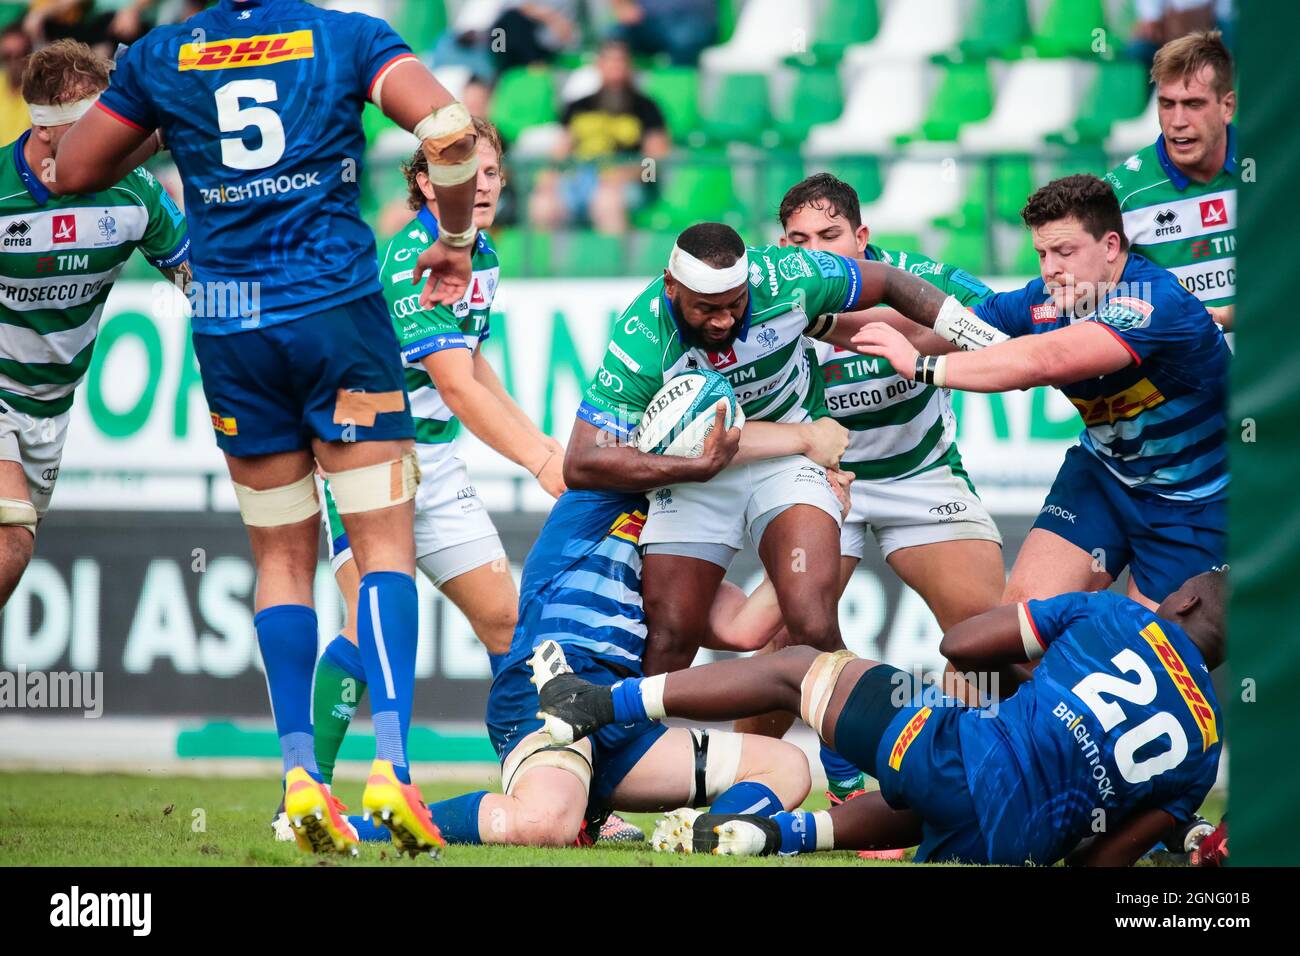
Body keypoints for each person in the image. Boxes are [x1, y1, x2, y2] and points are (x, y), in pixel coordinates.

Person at [50, 0, 482, 857]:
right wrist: (457, 236)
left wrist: (173, 121)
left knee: (282, 560)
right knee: (384, 550)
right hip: (337, 319)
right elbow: (448, 127)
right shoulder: (347, 35)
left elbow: (70, 170)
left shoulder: (162, 54)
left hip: (230, 327)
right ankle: (393, 769)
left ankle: (299, 777)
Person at [534, 571, 1226, 865]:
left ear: (1189, 601)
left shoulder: (1116, 614)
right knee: (948, 802)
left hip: (957, 754)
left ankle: (595, 702)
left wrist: (1051, 688)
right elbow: (1104, 862)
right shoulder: (1205, 752)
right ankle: (771, 837)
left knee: (796, 666)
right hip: (1010, 845)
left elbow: (959, 646)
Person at [390, 463, 853, 849]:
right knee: (543, 825)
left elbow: (746, 626)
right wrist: (803, 440)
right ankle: (373, 825)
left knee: (790, 768)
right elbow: (650, 452)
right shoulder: (597, 494)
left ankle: (700, 837)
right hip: (552, 684)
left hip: (622, 716)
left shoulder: (680, 554)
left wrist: (822, 524)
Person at [305, 117, 564, 800]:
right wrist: (541, 463)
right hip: (362, 458)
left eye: (489, 171)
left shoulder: (487, 258)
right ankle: (305, 795)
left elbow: (473, 365)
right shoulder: (406, 259)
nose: (477, 185)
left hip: (437, 465)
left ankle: (544, 791)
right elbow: (451, 382)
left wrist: (544, 444)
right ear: (424, 183)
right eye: (458, 172)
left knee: (509, 625)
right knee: (367, 633)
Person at [850, 175, 1229, 610]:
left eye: (1065, 252)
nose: (1050, 269)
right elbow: (933, 328)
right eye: (1042, 253)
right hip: (1105, 477)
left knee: (1148, 652)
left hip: (1193, 501)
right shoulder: (1042, 300)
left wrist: (920, 366)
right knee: (1018, 627)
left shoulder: (1151, 299)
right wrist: (821, 323)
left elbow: (1045, 359)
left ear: (1110, 246)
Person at [770, 174, 1004, 799]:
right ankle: (753, 785)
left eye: (830, 236)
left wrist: (907, 342)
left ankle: (963, 777)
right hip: (821, 481)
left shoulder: (914, 275)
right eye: (797, 240)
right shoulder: (771, 292)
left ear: (863, 237)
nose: (814, 253)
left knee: (991, 638)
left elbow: (996, 324)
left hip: (919, 477)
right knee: (780, 647)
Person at [0, 40, 189, 614]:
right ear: (47, 130)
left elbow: (200, 283)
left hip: (50, 407)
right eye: (92, 126)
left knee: (14, 547)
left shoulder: (136, 192)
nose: (110, 140)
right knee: (12, 534)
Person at [1108, 31, 1237, 330]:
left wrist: (1228, 316)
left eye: (1193, 104)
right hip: (1179, 373)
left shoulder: (1272, 169)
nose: (1177, 121)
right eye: (1167, 104)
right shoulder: (1121, 195)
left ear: (1227, 107)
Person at [528, 39, 668, 235]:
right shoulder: (577, 106)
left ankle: (611, 264)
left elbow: (657, 159)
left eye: (621, 61)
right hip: (580, 177)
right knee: (543, 204)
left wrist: (625, 175)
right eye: (610, 61)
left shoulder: (646, 107)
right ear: (599, 65)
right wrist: (549, 178)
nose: (615, 67)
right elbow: (561, 150)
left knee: (606, 201)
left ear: (630, 66)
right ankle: (548, 264)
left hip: (624, 183)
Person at [607, 0, 718, 66]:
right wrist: (622, 6)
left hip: (691, 21)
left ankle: (678, 91)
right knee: (616, 35)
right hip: (647, 22)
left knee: (684, 41)